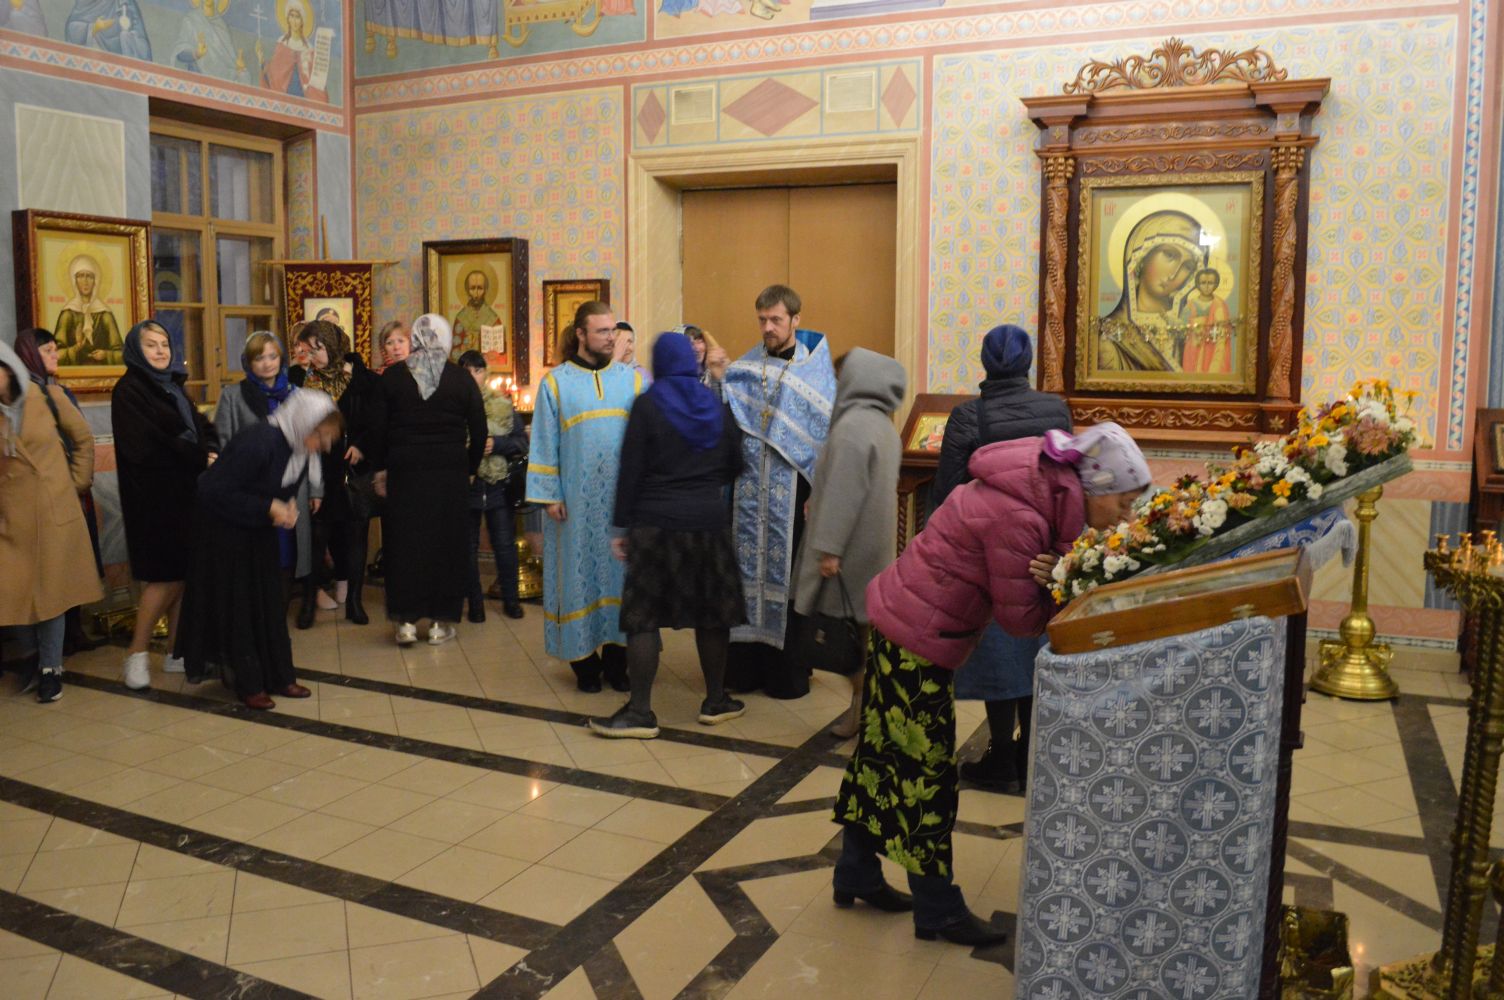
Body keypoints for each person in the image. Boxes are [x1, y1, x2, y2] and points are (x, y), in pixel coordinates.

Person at [833, 423, 1149, 945]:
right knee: (924, 771)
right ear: (1095, 487)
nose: (1126, 516)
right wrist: (1059, 582)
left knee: (883, 754)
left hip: (906, 620)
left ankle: (856, 870)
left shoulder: (1041, 492)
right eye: (1124, 503)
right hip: (916, 632)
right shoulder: (1023, 516)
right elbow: (1020, 621)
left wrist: (1060, 570)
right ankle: (937, 907)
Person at [934, 325, 1074, 793]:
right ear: (1028, 362)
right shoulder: (1055, 409)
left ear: (985, 362)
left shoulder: (968, 416)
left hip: (987, 551)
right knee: (1034, 647)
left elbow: (948, 492)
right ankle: (1032, 755)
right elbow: (1066, 481)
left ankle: (1001, 757)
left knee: (997, 651)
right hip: (1041, 551)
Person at [589, 332, 747, 738]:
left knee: (643, 617)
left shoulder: (647, 405)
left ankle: (640, 712)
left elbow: (631, 470)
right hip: (708, 523)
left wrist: (620, 527)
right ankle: (716, 700)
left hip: (654, 523)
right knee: (713, 614)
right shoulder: (715, 405)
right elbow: (736, 463)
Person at [177, 390, 340, 709]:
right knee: (242, 609)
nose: (325, 446)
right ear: (303, 423)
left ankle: (280, 676)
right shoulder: (259, 441)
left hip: (257, 531)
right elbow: (212, 490)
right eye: (322, 436)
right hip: (226, 536)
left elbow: (279, 488)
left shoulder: (297, 448)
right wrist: (269, 507)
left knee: (269, 605)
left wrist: (286, 507)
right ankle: (248, 682)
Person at [719, 285, 837, 698]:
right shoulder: (744, 370)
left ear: (795, 320)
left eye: (776, 320)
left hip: (794, 495)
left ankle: (786, 674)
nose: (768, 328)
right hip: (748, 492)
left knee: (788, 580)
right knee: (745, 574)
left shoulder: (815, 375)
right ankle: (743, 670)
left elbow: (824, 441)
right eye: (762, 320)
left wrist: (817, 494)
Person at [525, 301, 642, 692]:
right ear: (580, 334)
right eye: (602, 331)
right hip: (574, 505)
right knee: (578, 580)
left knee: (620, 580)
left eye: (613, 331)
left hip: (620, 506)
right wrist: (549, 494)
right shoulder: (556, 383)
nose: (611, 338)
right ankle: (585, 665)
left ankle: (618, 665)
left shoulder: (632, 381)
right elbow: (544, 441)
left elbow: (646, 439)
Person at [791, 348, 906, 739]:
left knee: (850, 641)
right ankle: (864, 712)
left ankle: (861, 713)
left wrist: (830, 549)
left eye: (842, 378)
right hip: (873, 547)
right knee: (865, 636)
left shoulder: (853, 427)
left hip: (850, 550)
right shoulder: (882, 425)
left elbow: (844, 493)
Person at [111, 320, 219, 690]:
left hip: (187, 495)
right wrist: (198, 456)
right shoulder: (129, 391)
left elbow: (202, 427)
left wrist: (211, 448)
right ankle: (136, 653)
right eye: (152, 345)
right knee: (164, 578)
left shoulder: (172, 385)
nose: (160, 351)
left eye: (165, 345)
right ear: (136, 351)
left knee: (184, 574)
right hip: (153, 500)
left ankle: (176, 650)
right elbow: (146, 445)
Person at [368, 314, 487, 645]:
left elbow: (377, 429)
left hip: (405, 470)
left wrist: (381, 470)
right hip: (450, 471)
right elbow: (479, 430)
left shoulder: (393, 377)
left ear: (416, 338)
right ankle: (439, 622)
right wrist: (470, 468)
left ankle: (405, 622)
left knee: (405, 543)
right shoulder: (461, 379)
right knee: (446, 544)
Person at [0, 338, 101, 704]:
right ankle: (30, 656)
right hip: (11, 516)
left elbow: (84, 440)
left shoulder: (47, 398)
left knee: (51, 593)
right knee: (13, 589)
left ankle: (50, 668)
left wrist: (75, 484)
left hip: (52, 510)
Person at [213, 331, 317, 585]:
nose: (267, 363)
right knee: (257, 558)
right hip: (253, 490)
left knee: (289, 556)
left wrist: (316, 489)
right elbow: (224, 443)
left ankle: (280, 607)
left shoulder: (296, 394)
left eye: (272, 356)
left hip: (292, 487)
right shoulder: (233, 395)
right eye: (259, 358)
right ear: (248, 362)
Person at [294, 321, 376, 628]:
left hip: (352, 472)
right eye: (309, 350)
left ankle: (354, 601)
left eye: (319, 349)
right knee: (316, 537)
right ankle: (308, 602)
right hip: (319, 471)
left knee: (355, 536)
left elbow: (375, 422)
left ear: (332, 345)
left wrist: (361, 445)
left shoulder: (361, 379)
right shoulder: (304, 380)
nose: (314, 356)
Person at [457, 351, 527, 622]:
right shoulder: (454, 406)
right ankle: (475, 604)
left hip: (498, 484)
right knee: (467, 547)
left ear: (485, 373)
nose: (472, 376)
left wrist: (496, 444)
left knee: (504, 545)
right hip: (467, 484)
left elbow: (521, 442)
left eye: (477, 370)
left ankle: (511, 600)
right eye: (467, 371)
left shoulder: (502, 405)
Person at [1096, 210, 1202, 373]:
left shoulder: (1189, 328)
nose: (1174, 275)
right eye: (1169, 254)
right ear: (1142, 255)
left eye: (1187, 266)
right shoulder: (1109, 337)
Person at [54, 255, 124, 367]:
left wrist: (106, 355)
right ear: (75, 281)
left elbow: (122, 355)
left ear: (95, 281)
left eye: (90, 276)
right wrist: (76, 348)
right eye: (81, 276)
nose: (85, 281)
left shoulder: (105, 315)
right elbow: (55, 356)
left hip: (103, 374)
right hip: (73, 374)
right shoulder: (67, 314)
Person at [259, 0, 328, 101]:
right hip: (283, 96)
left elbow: (315, 81)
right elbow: (274, 73)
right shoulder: (282, 43)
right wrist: (262, 62)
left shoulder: (309, 49)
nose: (294, 21)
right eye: (292, 16)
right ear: (288, 18)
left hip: (303, 97)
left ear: (302, 21)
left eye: (297, 17)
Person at [1180, 268, 1233, 374]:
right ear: (1198, 284)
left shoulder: (1220, 305)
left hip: (1213, 347)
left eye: (1210, 283)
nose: (1207, 286)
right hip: (1193, 348)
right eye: (1203, 283)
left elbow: (1223, 331)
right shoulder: (1190, 305)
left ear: (1216, 284)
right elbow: (1182, 326)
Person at [452, 272, 501, 360]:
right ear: (467, 290)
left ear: (486, 290)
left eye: (480, 288)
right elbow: (454, 353)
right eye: (472, 288)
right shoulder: (461, 318)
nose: (476, 294)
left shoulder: (493, 318)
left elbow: (499, 353)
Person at [613, 322, 652, 387]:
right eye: (620, 342)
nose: (626, 347)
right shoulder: (602, 373)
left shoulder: (644, 376)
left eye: (629, 341)